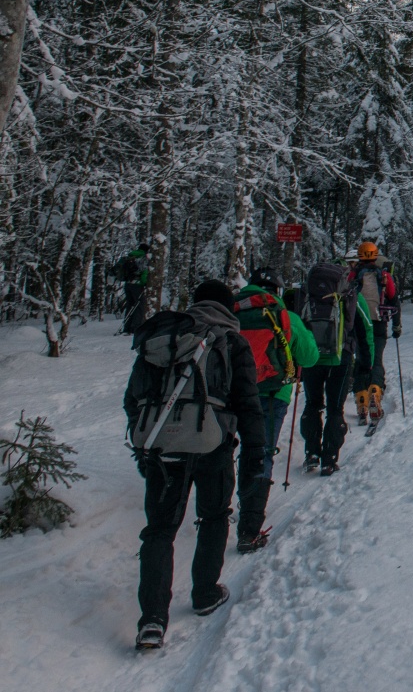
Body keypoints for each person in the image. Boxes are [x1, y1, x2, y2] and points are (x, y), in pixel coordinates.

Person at [123, 279, 266, 651]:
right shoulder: (232, 343)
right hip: (213, 445)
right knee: (215, 515)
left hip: (162, 447)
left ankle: (152, 620)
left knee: (159, 530)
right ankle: (204, 592)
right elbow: (249, 405)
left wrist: (145, 447)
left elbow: (133, 398)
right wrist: (254, 454)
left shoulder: (166, 338)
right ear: (228, 309)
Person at [230, 268, 319, 553]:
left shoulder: (232, 316)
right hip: (272, 394)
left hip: (232, 393)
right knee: (262, 451)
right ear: (277, 292)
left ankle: (220, 511)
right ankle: (250, 527)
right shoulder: (285, 318)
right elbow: (310, 356)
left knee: (228, 450)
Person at [297, 262, 375, 476]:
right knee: (335, 408)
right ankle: (329, 459)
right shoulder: (350, 294)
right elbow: (365, 329)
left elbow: (294, 325)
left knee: (312, 404)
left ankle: (311, 453)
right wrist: (367, 362)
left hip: (311, 358)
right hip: (340, 359)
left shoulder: (305, 294)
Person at [349, 242, 401, 427]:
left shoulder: (353, 275)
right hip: (379, 322)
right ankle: (375, 393)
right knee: (376, 360)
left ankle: (361, 401)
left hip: (358, 323)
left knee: (361, 360)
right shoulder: (384, 276)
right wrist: (397, 326)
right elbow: (394, 300)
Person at [114, 243, 149, 335]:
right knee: (139, 306)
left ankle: (127, 327)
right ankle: (136, 328)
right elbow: (144, 272)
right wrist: (145, 283)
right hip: (137, 285)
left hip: (127, 284)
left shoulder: (130, 256)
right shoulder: (143, 258)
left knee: (130, 305)